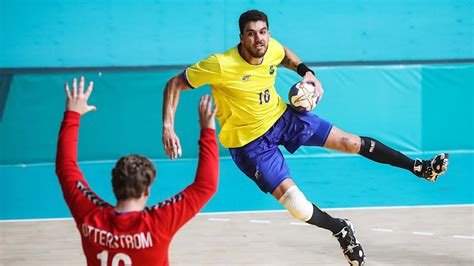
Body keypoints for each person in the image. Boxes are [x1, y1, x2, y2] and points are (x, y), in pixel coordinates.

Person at [161, 10, 449, 265]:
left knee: (350, 142)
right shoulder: (221, 64)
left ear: (267, 33)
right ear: (241, 37)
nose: (258, 39)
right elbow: (174, 83)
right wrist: (168, 126)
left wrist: (306, 72)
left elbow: (283, 53)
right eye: (251, 34)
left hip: (283, 118)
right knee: (297, 207)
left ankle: (419, 168)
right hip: (250, 145)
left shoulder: (270, 48)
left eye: (262, 32)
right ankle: (340, 228)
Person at [56, 76, 219, 266]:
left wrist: (72, 115)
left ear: (114, 184)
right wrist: (207, 129)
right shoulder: (158, 223)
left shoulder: (91, 217)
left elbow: (65, 168)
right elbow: (206, 186)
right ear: (147, 191)